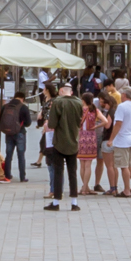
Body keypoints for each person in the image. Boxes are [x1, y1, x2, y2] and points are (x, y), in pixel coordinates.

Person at [43, 82, 83, 211]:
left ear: (61, 91)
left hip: (59, 142)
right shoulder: (78, 102)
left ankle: (56, 202)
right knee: (73, 172)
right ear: (71, 91)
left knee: (58, 172)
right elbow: (79, 121)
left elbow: (52, 123)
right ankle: (74, 202)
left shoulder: (57, 103)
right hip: (73, 141)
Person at [108, 88, 131, 197]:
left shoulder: (121, 107)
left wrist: (111, 139)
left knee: (123, 166)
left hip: (122, 139)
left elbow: (118, 124)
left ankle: (127, 189)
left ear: (124, 95)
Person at [0, 89, 31, 183]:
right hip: (20, 133)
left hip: (8, 133)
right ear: (22, 98)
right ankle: (22, 177)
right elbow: (28, 122)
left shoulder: (5, 106)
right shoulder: (24, 107)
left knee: (8, 154)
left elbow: (0, 120)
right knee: (21, 155)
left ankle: (7, 175)